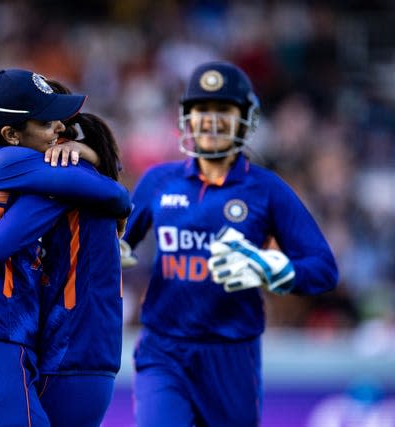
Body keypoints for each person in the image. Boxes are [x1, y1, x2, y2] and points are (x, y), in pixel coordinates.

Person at [120, 60, 339, 426]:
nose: (212, 121)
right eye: (202, 110)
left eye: (224, 110)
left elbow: (323, 269)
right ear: (186, 118)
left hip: (232, 354)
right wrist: (112, 249)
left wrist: (273, 270)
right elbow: (116, 244)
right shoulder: (158, 181)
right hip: (163, 349)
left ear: (245, 119)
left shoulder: (267, 190)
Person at [0, 69, 131, 426]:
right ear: (11, 134)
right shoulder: (27, 166)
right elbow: (117, 195)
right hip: (1, 355)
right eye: (45, 121)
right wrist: (90, 156)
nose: (56, 128)